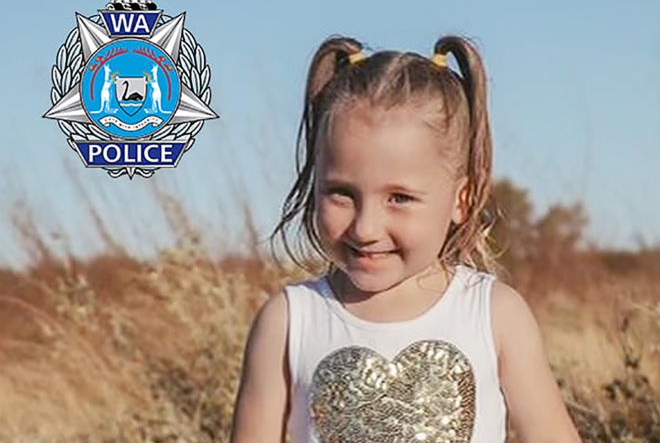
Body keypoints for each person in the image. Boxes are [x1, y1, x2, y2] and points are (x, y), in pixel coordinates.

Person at [230, 35, 583, 443]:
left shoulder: (494, 315)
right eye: (341, 193)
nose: (365, 228)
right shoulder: (289, 322)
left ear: (462, 200)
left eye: (399, 198)